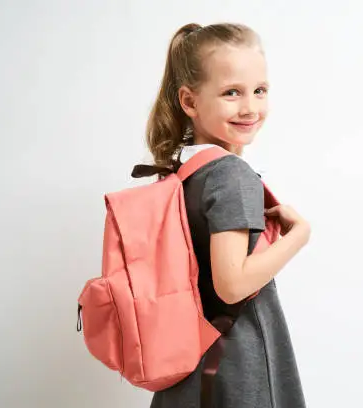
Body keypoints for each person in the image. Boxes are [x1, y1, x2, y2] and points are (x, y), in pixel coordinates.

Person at [146, 23, 311, 408]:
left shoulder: (183, 172)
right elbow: (232, 285)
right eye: (231, 93)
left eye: (260, 90)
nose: (250, 107)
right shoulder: (230, 175)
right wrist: (298, 236)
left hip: (191, 361)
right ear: (189, 102)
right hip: (236, 369)